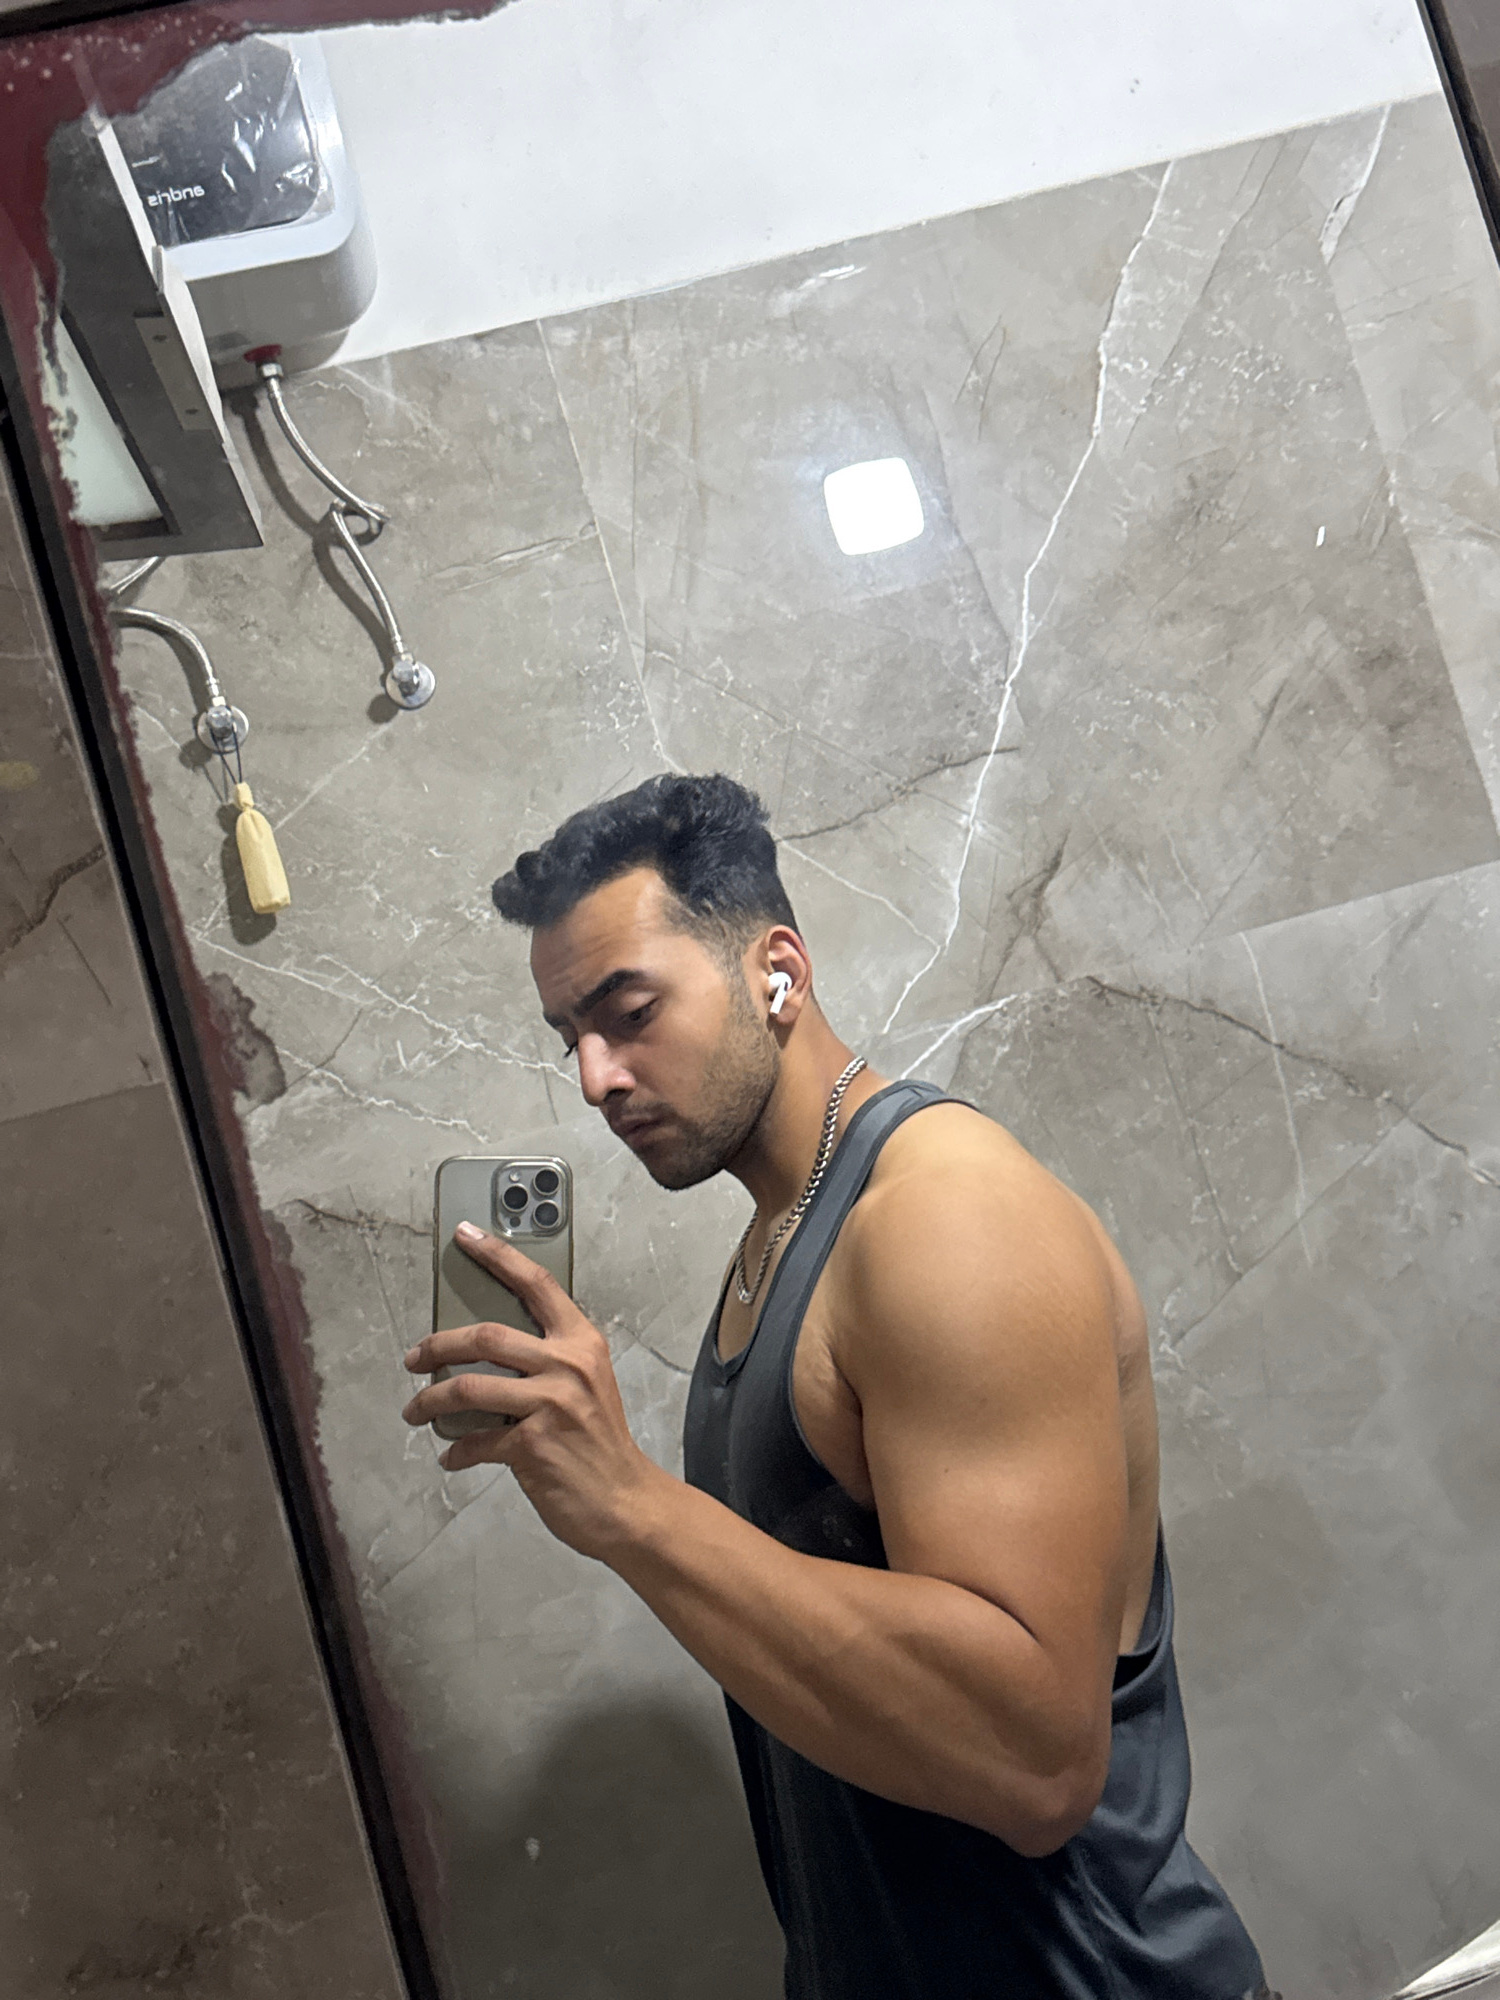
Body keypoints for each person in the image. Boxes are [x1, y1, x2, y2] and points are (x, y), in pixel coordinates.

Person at [402, 773, 1272, 2000]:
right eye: (570, 1039)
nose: (595, 1076)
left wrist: (632, 1506)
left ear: (779, 971)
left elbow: (1037, 1759)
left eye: (629, 1012)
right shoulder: (777, 1242)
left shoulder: (944, 1217)